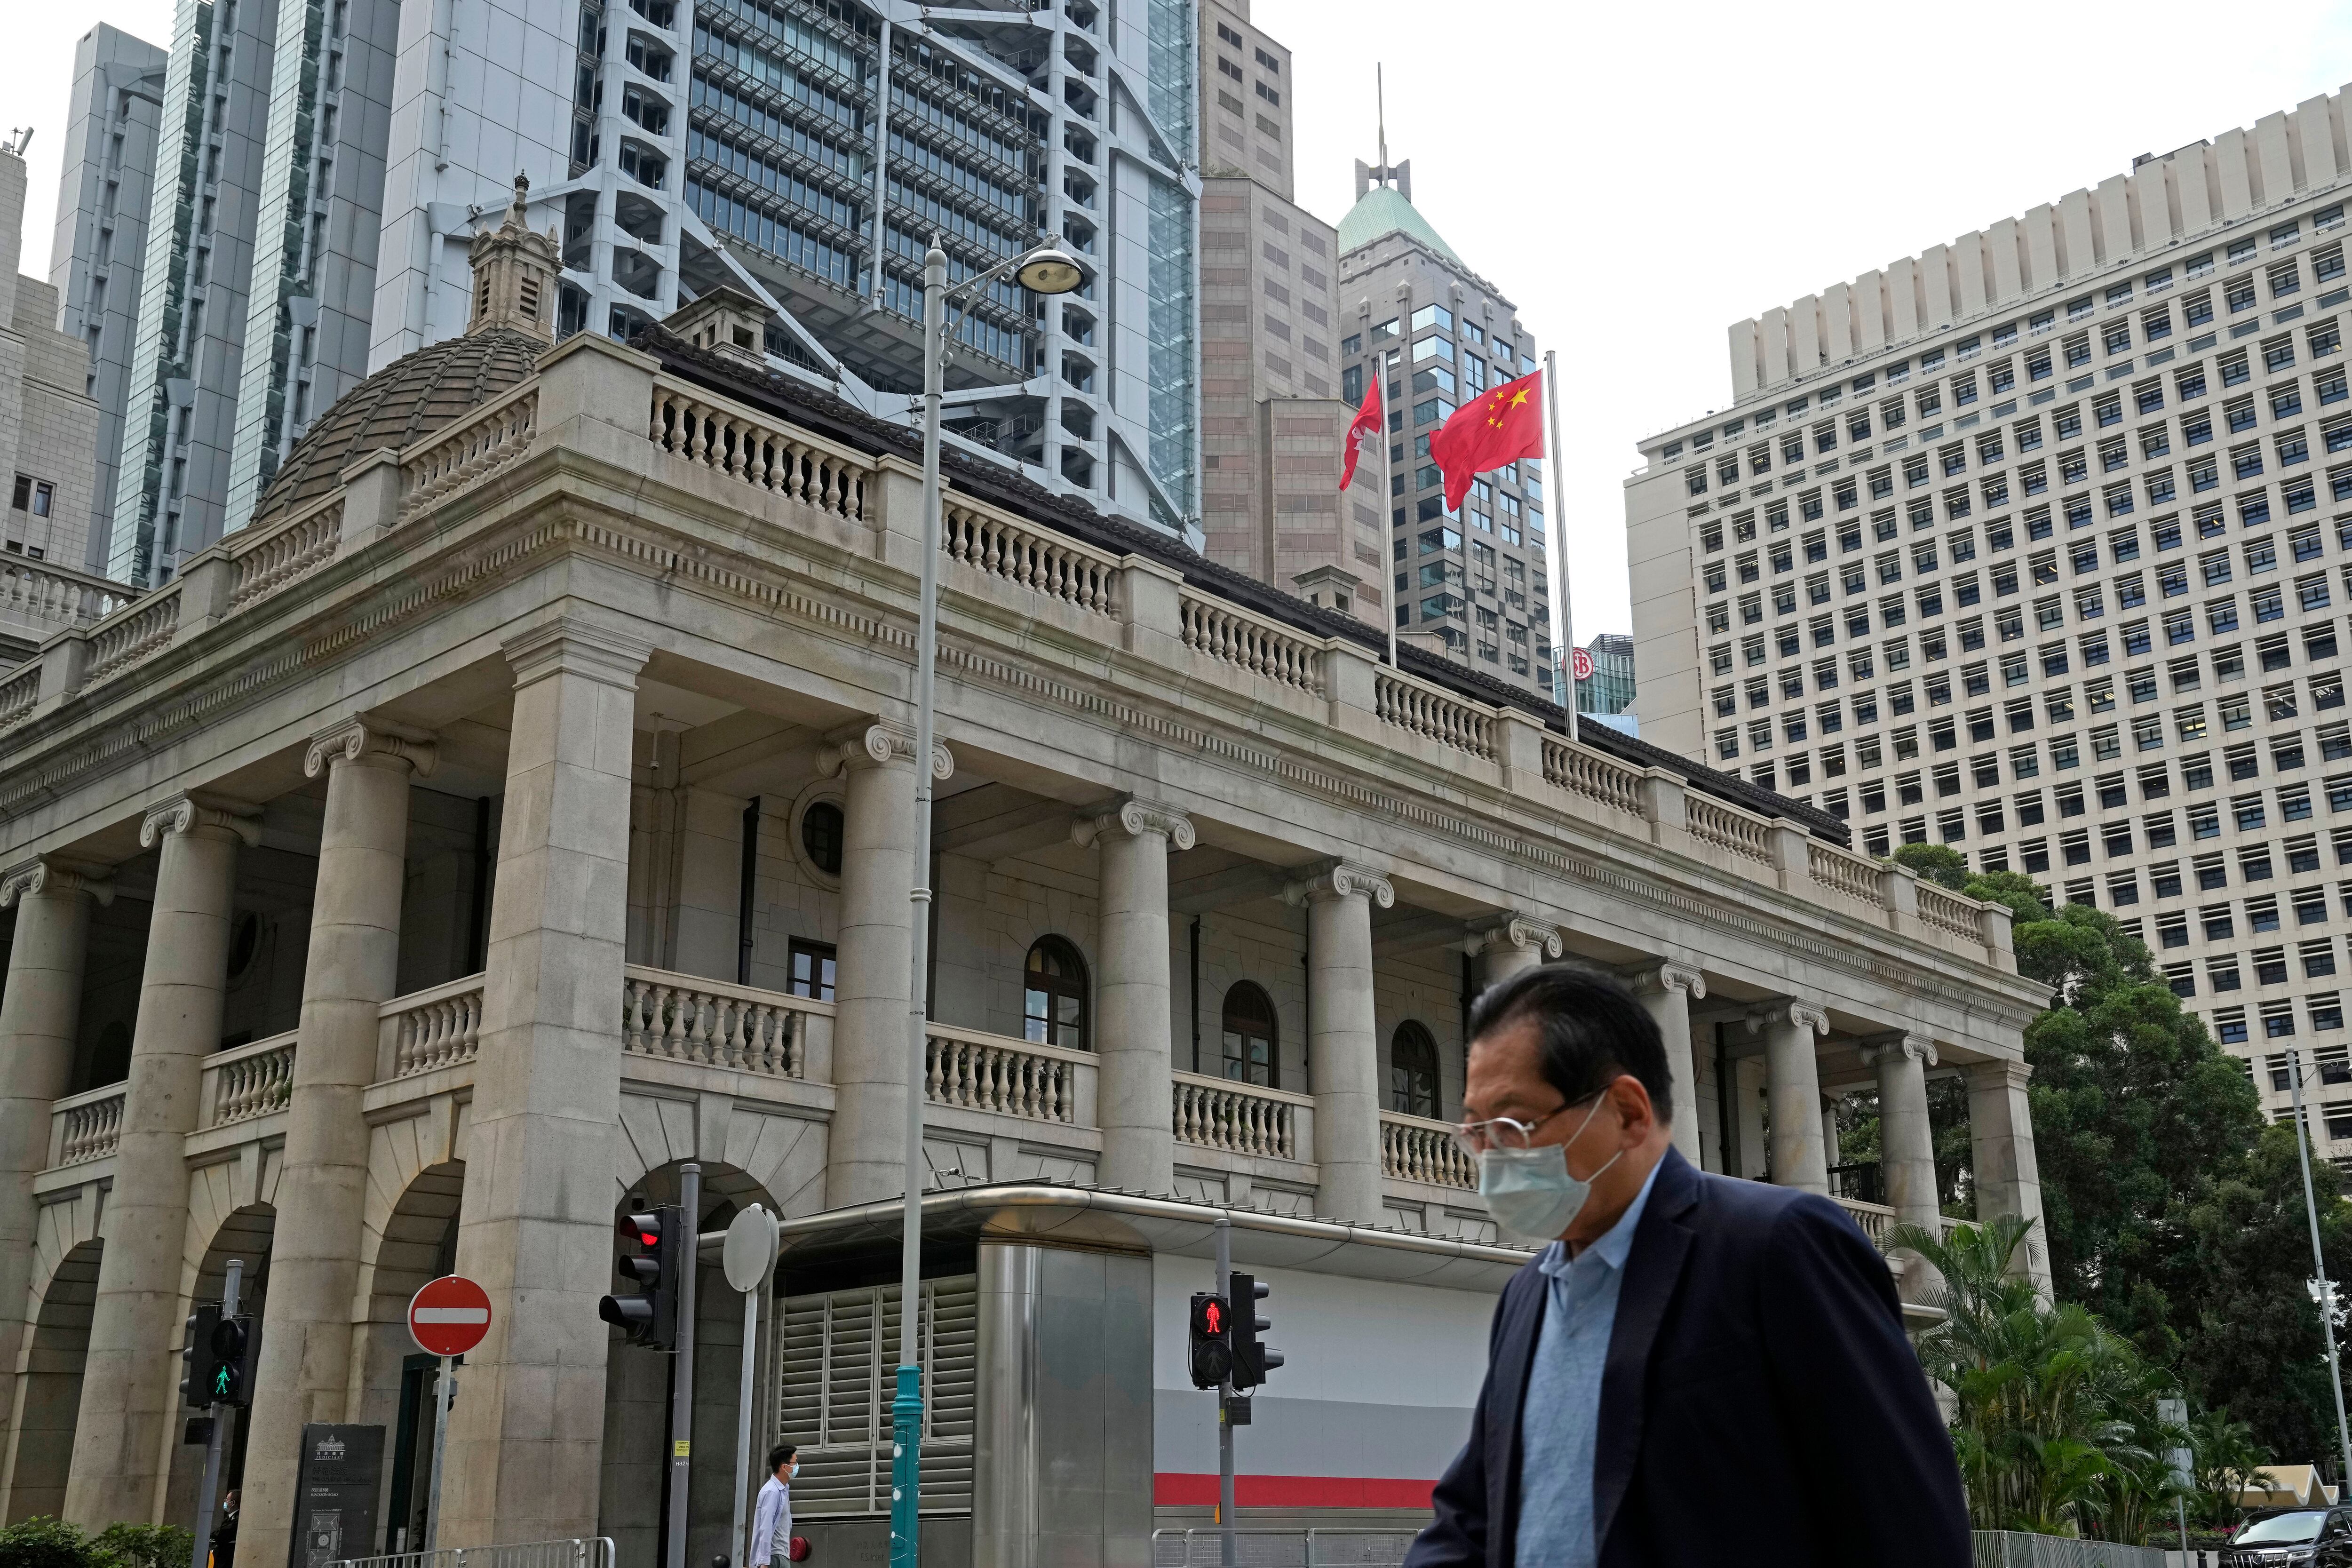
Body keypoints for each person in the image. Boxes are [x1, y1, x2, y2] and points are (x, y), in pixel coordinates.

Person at [1405, 966, 1969, 1568]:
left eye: (1515, 1125)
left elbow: (1905, 1524)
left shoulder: (1776, 1247)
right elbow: (1472, 1519)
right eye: (1477, 1131)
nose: (1490, 1157)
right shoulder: (1528, 1294)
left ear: (1626, 1112)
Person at [749, 1444, 797, 1567]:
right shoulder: (772, 1492)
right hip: (774, 1558)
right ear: (784, 1467)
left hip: (781, 1555)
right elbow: (766, 1527)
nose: (797, 1466)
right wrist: (765, 1562)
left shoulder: (783, 1490)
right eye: (795, 1463)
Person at [211, 1488, 240, 1568]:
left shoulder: (237, 1519)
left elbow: (221, 1533)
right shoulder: (229, 1517)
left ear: (233, 1503)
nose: (225, 1502)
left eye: (227, 1499)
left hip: (227, 1557)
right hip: (220, 1556)